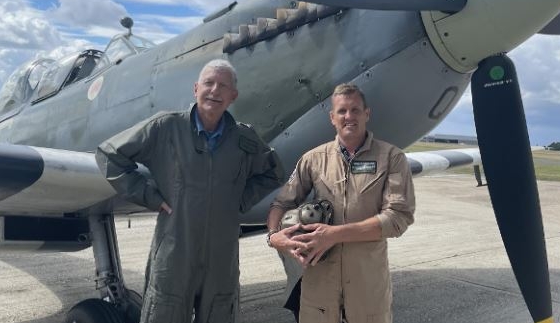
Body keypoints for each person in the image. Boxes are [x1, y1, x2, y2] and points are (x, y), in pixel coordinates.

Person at [95, 59, 284, 323]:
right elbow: (109, 155)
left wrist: (239, 200)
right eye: (208, 83)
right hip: (174, 252)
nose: (214, 90)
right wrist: (149, 197)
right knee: (165, 313)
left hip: (222, 257)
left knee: (220, 313)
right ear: (196, 89)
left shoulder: (244, 139)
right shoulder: (165, 127)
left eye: (223, 86)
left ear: (233, 96)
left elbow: (274, 172)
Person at [266, 83, 415, 323]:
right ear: (332, 118)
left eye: (355, 110)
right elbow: (281, 203)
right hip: (319, 295)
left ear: (367, 114)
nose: (349, 116)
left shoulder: (391, 158)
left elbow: (398, 218)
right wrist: (274, 237)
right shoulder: (312, 159)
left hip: (367, 293)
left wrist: (334, 235)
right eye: (342, 111)